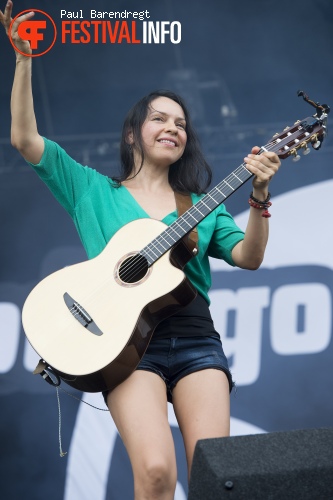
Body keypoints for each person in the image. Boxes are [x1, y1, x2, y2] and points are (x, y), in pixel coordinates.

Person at [1, 2, 280, 498]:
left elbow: (250, 258)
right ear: (133, 133)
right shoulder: (91, 189)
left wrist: (259, 195)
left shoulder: (202, 205)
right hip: (125, 346)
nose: (173, 127)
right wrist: (23, 60)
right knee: (154, 474)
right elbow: (24, 139)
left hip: (195, 338)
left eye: (180, 123)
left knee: (219, 479)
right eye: (159, 119)